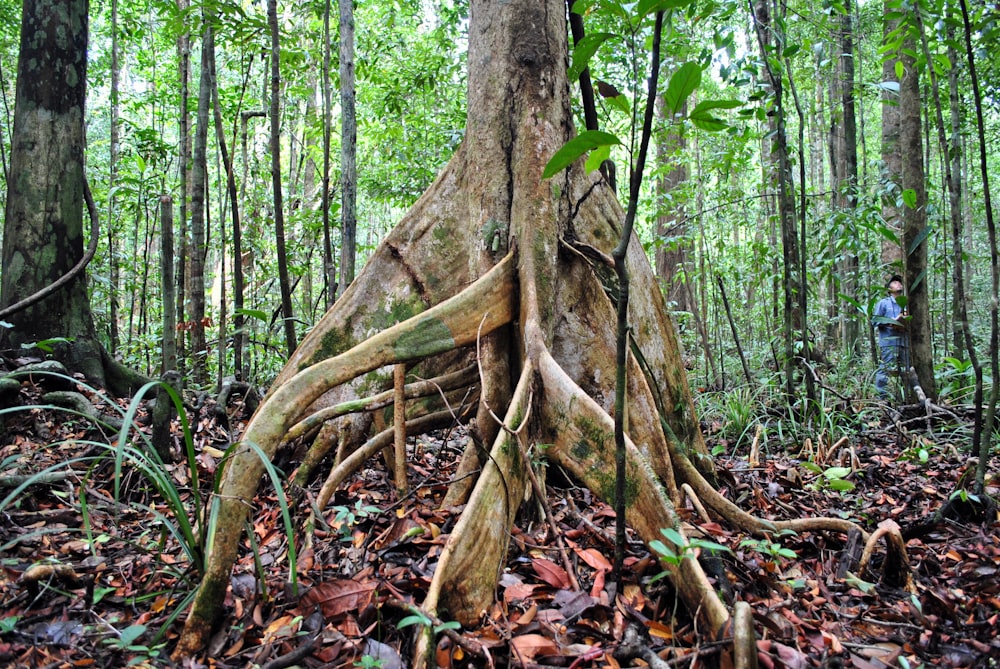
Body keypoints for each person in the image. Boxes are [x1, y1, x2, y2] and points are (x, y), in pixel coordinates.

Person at [873, 276, 909, 399]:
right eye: (894, 282)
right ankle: (881, 398)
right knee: (885, 369)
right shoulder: (883, 303)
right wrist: (890, 322)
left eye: (900, 282)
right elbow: (875, 321)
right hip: (889, 342)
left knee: (906, 370)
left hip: (904, 342)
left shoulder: (907, 303)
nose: (898, 284)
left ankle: (905, 398)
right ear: (889, 289)